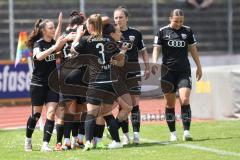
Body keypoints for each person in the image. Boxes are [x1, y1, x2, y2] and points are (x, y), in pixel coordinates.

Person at [72, 14, 129, 150]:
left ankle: (87, 142)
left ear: (91, 25)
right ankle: (116, 141)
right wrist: (123, 50)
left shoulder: (86, 40)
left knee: (91, 113)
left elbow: (73, 50)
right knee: (107, 113)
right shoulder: (109, 39)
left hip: (96, 81)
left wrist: (78, 35)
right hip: (109, 81)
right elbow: (119, 58)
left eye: (87, 25)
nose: (86, 27)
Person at [152, 9, 202, 141]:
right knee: (170, 105)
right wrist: (154, 64)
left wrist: (199, 67)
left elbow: (193, 49)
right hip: (167, 72)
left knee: (184, 100)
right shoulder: (162, 31)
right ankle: (173, 133)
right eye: (176, 21)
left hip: (183, 71)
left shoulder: (188, 31)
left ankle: (186, 132)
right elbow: (156, 49)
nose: (178, 23)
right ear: (170, 19)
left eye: (181, 21)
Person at [24, 18, 72, 152]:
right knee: (36, 115)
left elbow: (59, 42)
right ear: (44, 30)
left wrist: (66, 35)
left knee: (51, 113)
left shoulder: (54, 42)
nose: (53, 29)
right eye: (50, 28)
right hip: (38, 84)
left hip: (52, 84)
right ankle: (28, 139)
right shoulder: (38, 44)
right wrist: (54, 48)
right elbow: (38, 57)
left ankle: (45, 144)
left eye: (53, 27)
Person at [113, 6, 150, 145]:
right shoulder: (112, 34)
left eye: (120, 17)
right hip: (118, 73)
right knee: (122, 106)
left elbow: (143, 51)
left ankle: (136, 135)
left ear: (126, 18)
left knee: (135, 104)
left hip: (134, 72)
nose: (118, 20)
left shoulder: (136, 33)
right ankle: (125, 135)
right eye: (116, 17)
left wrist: (147, 67)